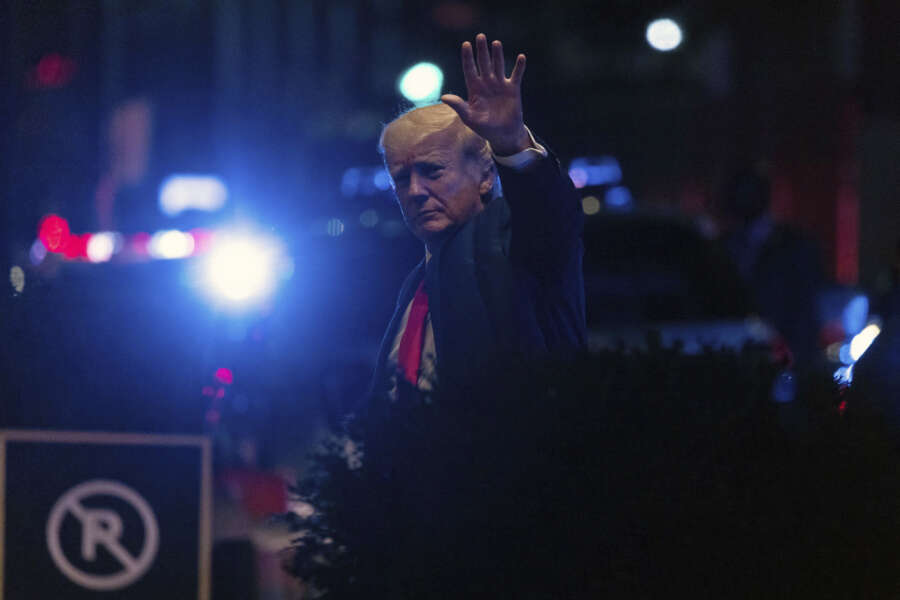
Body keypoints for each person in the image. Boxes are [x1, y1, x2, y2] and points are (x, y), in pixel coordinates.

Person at [368, 34, 586, 413]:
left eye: (432, 171)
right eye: (402, 179)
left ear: (485, 175)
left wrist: (511, 144)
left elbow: (552, 216)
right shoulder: (416, 284)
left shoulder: (514, 244)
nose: (416, 191)